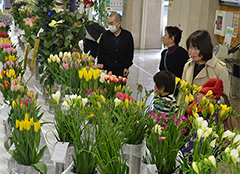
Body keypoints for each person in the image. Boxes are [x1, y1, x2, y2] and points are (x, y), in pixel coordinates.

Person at [182, 30, 229, 98]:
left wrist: (208, 99)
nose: (192, 52)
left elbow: (225, 97)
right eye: (190, 47)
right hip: (187, 107)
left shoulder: (219, 68)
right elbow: (182, 92)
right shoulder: (188, 65)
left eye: (196, 49)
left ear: (205, 48)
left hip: (205, 108)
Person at [98, 12, 134, 77]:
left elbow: (130, 53)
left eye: (111, 23)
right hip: (107, 70)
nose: (109, 26)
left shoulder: (127, 36)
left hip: (121, 70)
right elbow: (101, 52)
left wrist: (126, 67)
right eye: (108, 23)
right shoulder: (105, 36)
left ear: (119, 23)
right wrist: (101, 67)